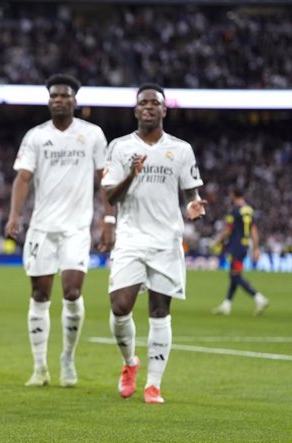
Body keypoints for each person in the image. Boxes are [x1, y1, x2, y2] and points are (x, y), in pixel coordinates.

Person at [101, 83, 208, 405]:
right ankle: (130, 361)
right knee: (120, 307)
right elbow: (109, 196)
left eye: (155, 103)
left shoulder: (181, 149)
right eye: (143, 102)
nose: (149, 107)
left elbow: (191, 192)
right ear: (136, 110)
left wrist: (194, 205)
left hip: (166, 240)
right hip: (131, 237)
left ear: (164, 110)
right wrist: (132, 175)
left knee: (160, 312)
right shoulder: (119, 147)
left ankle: (154, 385)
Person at [4, 74, 113, 388]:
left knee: (72, 291)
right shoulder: (36, 136)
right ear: (48, 101)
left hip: (76, 228)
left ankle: (67, 357)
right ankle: (39, 367)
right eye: (53, 96)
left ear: (74, 101)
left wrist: (109, 221)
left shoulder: (92, 135)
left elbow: (104, 179)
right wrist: (14, 216)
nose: (58, 100)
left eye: (64, 96)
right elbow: (23, 178)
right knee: (39, 294)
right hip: (41, 228)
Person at [210, 189, 269, 316]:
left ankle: (259, 298)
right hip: (244, 245)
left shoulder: (235, 210)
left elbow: (228, 230)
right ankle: (227, 304)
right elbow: (254, 230)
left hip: (236, 247)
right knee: (234, 276)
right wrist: (256, 248)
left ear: (233, 195)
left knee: (235, 276)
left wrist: (217, 242)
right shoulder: (249, 210)